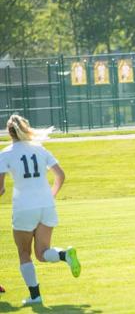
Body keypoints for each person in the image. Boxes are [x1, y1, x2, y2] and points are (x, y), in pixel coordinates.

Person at [0, 115, 81, 305]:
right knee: (42, 253)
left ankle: (35, 296)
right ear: (26, 129)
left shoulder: (6, 153)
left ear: (9, 132)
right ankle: (64, 254)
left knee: (24, 254)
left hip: (24, 208)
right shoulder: (40, 149)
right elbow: (60, 175)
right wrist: (50, 195)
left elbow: (0, 188)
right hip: (46, 206)